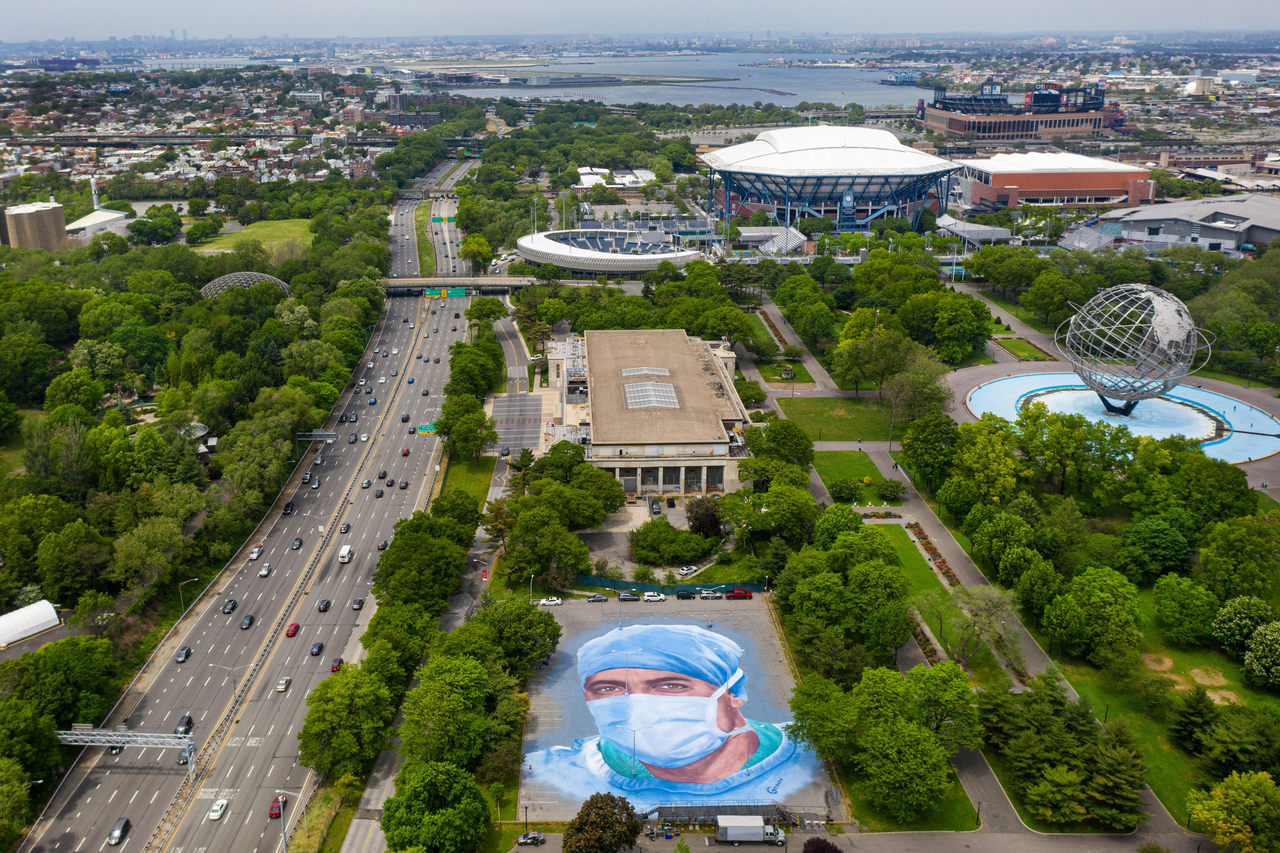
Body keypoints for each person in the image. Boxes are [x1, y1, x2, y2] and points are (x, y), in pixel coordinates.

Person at [526, 624, 819, 803]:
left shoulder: (808, 751)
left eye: (670, 685)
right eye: (608, 689)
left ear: (734, 693)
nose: (637, 705)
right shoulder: (555, 771)